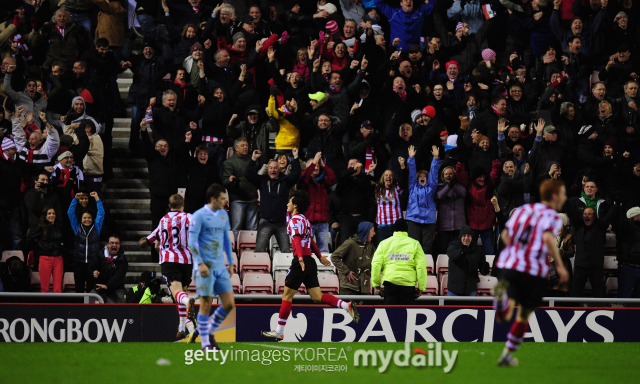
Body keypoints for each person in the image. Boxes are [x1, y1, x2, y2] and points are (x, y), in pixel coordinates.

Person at [262, 190, 359, 341]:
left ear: (295, 205)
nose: (287, 204)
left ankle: (279, 331)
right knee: (317, 297)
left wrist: (299, 258)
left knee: (286, 296)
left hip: (300, 261)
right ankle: (346, 305)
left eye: (289, 202)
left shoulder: (294, 220)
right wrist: (319, 257)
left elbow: (297, 238)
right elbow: (311, 241)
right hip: (310, 261)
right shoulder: (305, 221)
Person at [492, 179, 570, 366]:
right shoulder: (553, 216)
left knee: (504, 315)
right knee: (524, 314)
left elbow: (504, 235)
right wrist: (559, 265)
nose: (565, 197)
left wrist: (517, 252)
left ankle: (502, 302)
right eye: (563, 193)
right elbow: (547, 237)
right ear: (554, 196)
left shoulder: (522, 210)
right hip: (533, 271)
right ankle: (507, 355)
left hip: (510, 265)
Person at [187, 184, 235, 351]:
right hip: (204, 266)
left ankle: (211, 332)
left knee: (229, 303)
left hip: (220, 266)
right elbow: (191, 242)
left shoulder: (223, 215)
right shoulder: (198, 216)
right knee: (206, 303)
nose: (225, 201)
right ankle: (205, 343)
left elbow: (226, 240)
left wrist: (231, 262)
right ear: (213, 199)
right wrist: (199, 263)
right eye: (222, 198)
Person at [141, 194, 195, 339]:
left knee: (178, 294)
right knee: (180, 294)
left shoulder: (163, 220)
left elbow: (147, 241)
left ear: (169, 206)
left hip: (169, 261)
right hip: (186, 262)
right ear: (183, 205)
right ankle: (183, 329)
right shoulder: (188, 217)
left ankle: (188, 302)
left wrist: (145, 241)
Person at [244, 149, 301, 253]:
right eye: (270, 168)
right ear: (267, 169)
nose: (273, 170)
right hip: (265, 221)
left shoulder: (285, 181)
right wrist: (253, 159)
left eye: (275, 168)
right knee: (259, 251)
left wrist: (296, 157)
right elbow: (247, 174)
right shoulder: (262, 180)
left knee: (286, 252)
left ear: (279, 169)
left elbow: (297, 175)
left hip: (281, 222)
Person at [371, 218, 427, 304]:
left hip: (390, 284)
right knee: (406, 316)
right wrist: (421, 287)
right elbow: (421, 266)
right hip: (408, 285)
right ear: (407, 230)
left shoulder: (384, 243)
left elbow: (376, 265)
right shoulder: (415, 244)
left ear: (394, 230)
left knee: (390, 315)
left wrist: (376, 286)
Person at [570, 205, 617, 297]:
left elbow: (609, 216)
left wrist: (615, 206)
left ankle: (600, 310)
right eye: (585, 214)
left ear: (595, 217)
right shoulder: (578, 226)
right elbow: (570, 212)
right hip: (580, 265)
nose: (587, 216)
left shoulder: (601, 226)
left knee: (599, 293)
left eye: (589, 214)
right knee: (575, 293)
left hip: (596, 266)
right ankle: (574, 311)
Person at [406, 145, 442, 255]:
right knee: (413, 246)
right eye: (420, 176)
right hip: (413, 219)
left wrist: (436, 159)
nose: (422, 177)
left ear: (427, 178)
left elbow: (434, 175)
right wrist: (411, 159)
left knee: (426, 247)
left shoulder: (431, 187)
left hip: (428, 220)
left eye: (424, 176)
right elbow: (411, 173)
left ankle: (426, 269)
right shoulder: (412, 187)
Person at [68, 191, 104, 293]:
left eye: (89, 218)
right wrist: (75, 199)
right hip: (79, 263)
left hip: (92, 264)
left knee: (91, 289)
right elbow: (70, 213)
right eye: (85, 218)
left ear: (92, 219)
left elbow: (101, 213)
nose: (87, 220)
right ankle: (78, 309)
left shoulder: (96, 228)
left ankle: (90, 309)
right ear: (81, 219)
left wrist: (97, 198)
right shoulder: (77, 228)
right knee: (79, 289)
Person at [222, 138, 259, 240]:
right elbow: (224, 182)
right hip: (237, 200)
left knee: (253, 229)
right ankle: (235, 252)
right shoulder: (229, 163)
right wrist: (229, 180)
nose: (245, 147)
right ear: (236, 148)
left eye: (246, 145)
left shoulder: (252, 161)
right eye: (243, 146)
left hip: (252, 199)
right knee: (236, 228)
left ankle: (251, 251)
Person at [331, 221, 376, 295]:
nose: (374, 234)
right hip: (348, 287)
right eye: (373, 231)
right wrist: (346, 271)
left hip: (364, 288)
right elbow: (334, 257)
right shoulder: (350, 243)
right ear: (366, 231)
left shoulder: (371, 247)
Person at [27, 207, 65, 293]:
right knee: (45, 289)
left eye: (53, 213)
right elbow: (29, 238)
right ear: (45, 215)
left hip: (58, 259)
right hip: (45, 259)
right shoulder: (41, 226)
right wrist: (39, 247)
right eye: (49, 213)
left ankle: (57, 306)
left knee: (57, 289)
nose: (52, 215)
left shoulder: (59, 226)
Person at [447, 225, 490, 296]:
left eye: (469, 236)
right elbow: (452, 255)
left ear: (472, 237)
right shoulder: (453, 246)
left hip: (470, 290)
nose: (466, 238)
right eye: (464, 235)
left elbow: (482, 267)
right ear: (460, 236)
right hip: (454, 290)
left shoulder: (477, 249)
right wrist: (463, 252)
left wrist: (485, 268)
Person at [89, 234, 128, 303]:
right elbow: (90, 268)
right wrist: (93, 272)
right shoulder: (99, 255)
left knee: (113, 309)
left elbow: (119, 276)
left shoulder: (123, 260)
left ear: (119, 245)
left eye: (117, 243)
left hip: (115, 289)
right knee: (89, 299)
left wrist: (107, 286)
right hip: (99, 288)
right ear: (107, 244)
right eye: (112, 243)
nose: (114, 245)